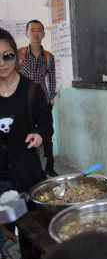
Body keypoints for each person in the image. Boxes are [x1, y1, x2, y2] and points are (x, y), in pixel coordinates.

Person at [0, 27, 53, 259]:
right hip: (0, 182)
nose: (2, 63)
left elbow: (47, 125)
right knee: (4, 250)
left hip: (30, 180)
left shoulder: (33, 90)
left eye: (7, 56)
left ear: (15, 56)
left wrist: (40, 135)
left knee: (35, 247)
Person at [17, 19, 57, 177]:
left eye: (39, 30)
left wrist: (51, 97)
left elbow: (52, 79)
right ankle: (29, 169)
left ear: (44, 34)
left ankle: (49, 169)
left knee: (47, 134)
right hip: (23, 102)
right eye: (32, 30)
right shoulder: (19, 54)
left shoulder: (48, 57)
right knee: (25, 135)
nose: (36, 33)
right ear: (26, 34)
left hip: (43, 102)